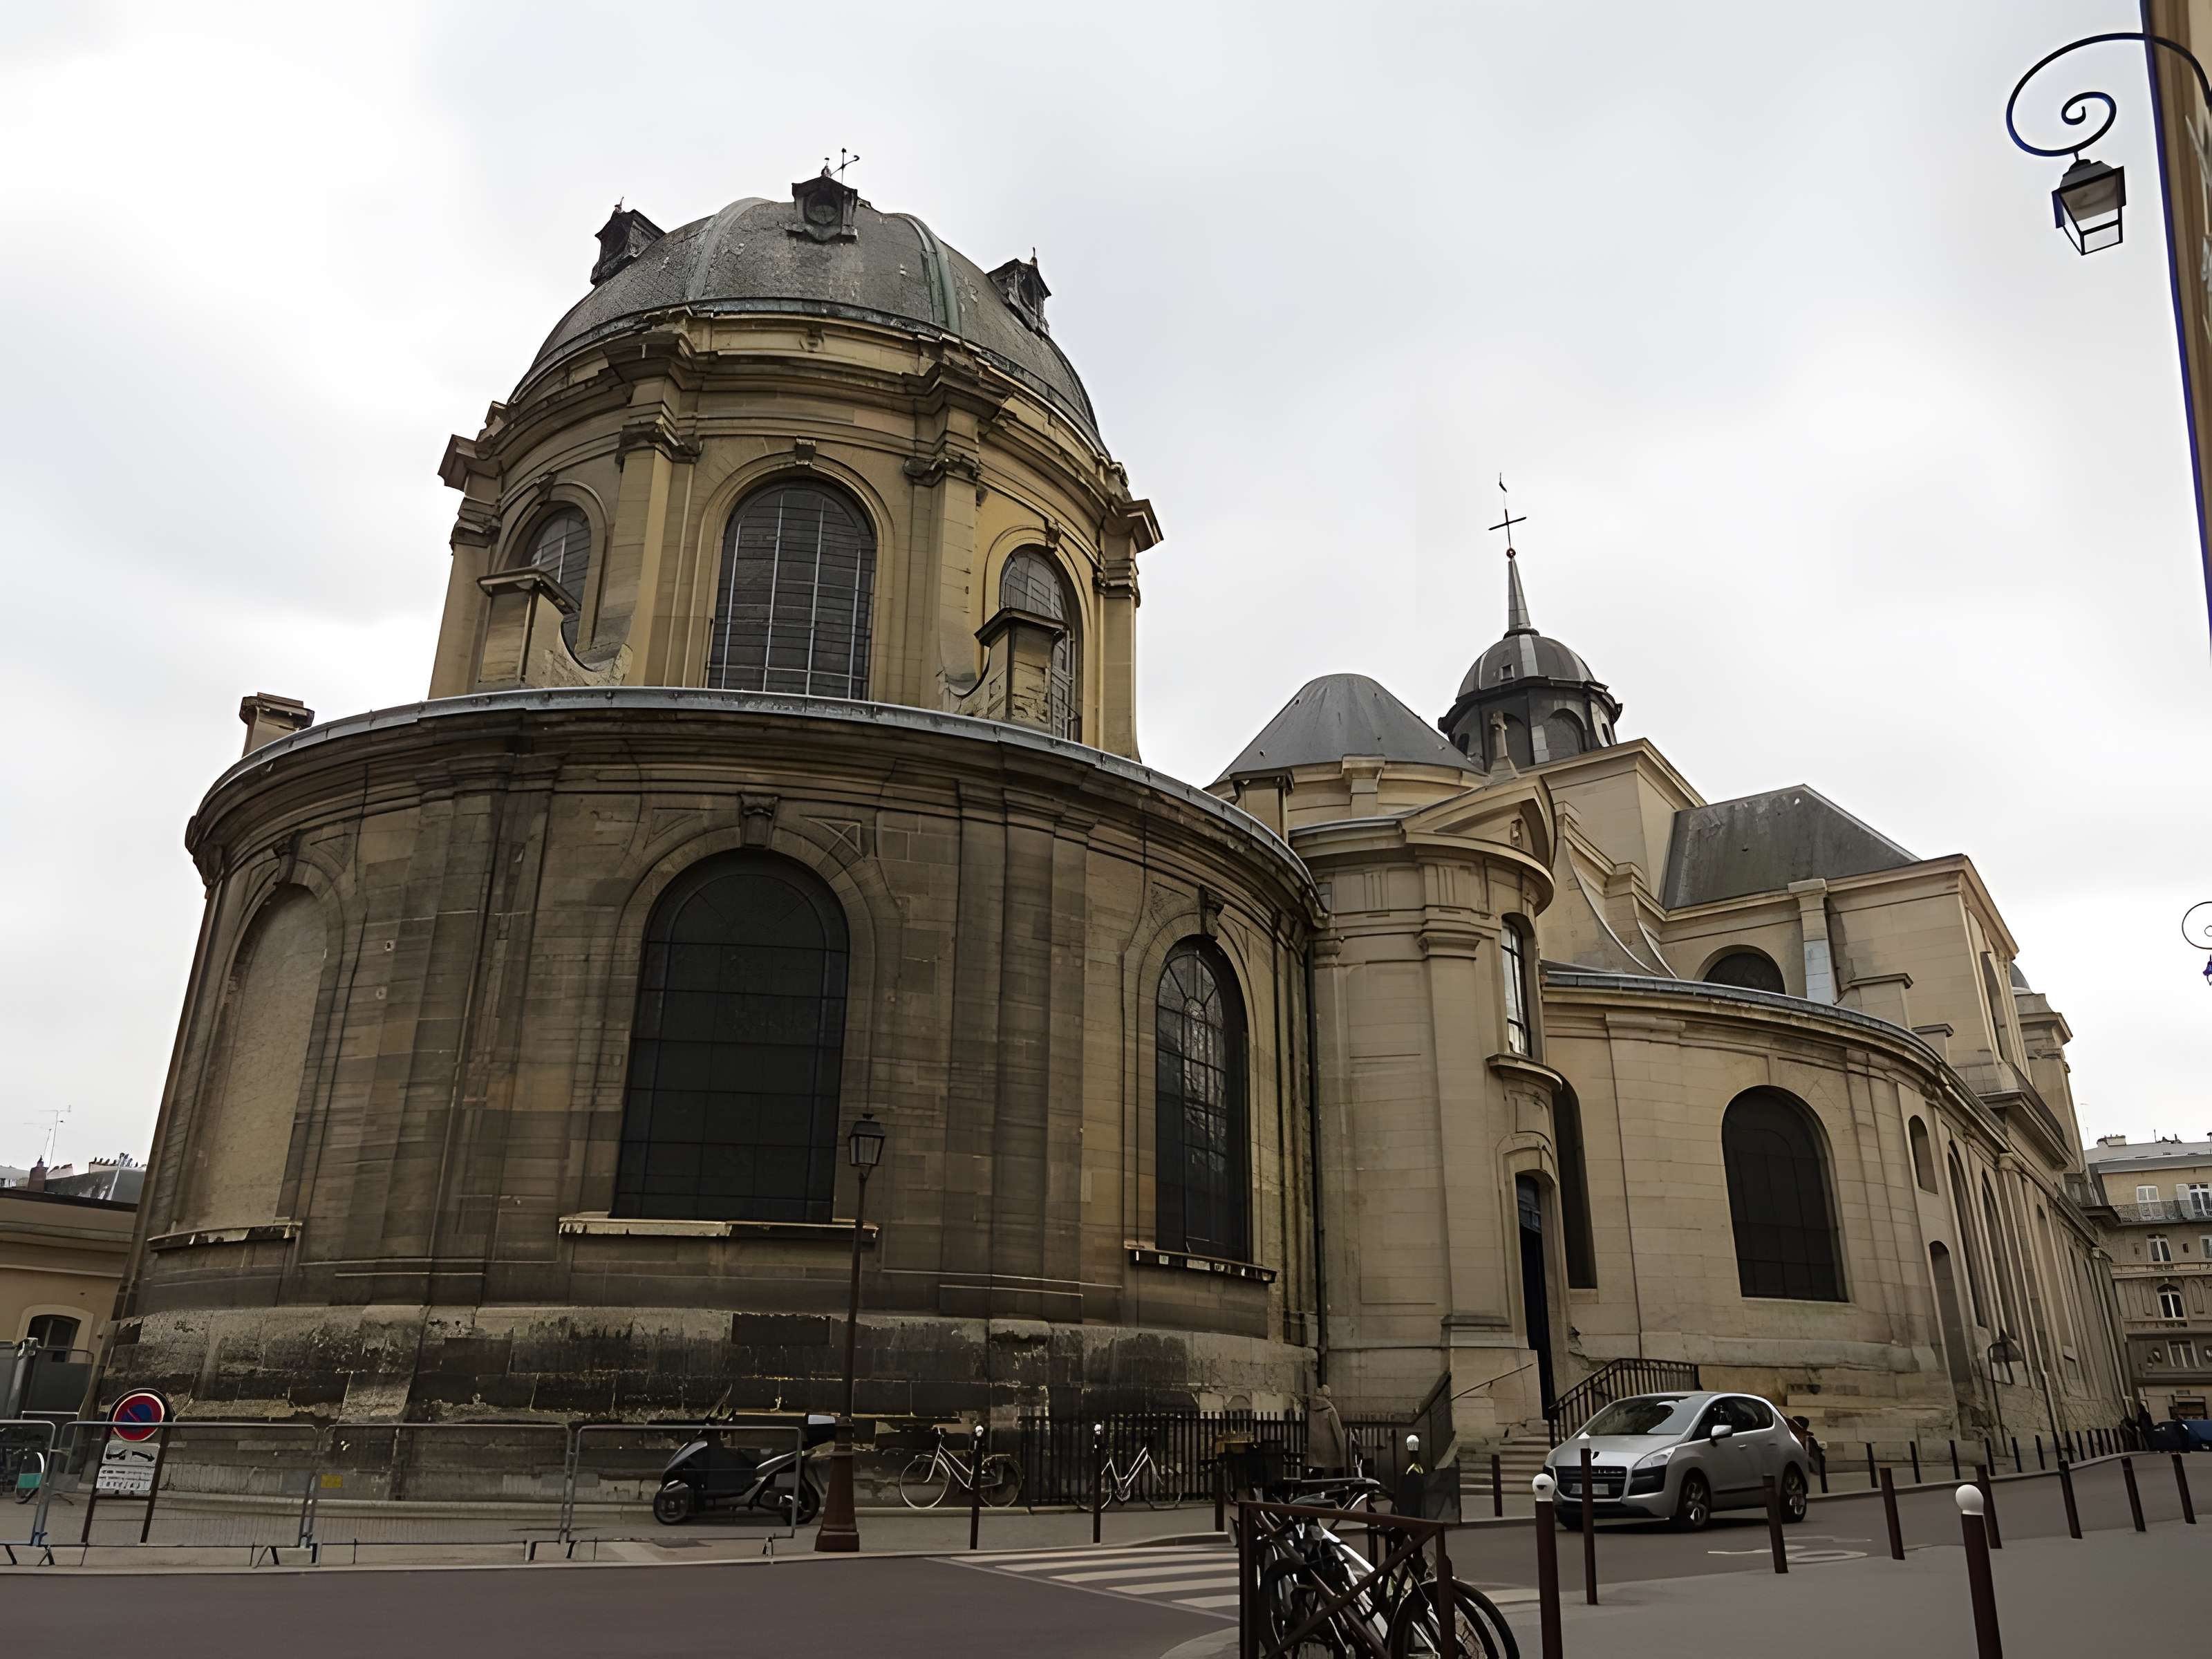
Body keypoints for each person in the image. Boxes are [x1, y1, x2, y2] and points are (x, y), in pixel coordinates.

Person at [1305, 1383, 1349, 1476]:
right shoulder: (1330, 1409)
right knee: (1337, 1469)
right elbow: (1338, 1431)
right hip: (1330, 1448)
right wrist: (1343, 1446)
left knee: (1317, 1468)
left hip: (1315, 1447)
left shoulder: (1311, 1409)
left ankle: (1315, 1487)